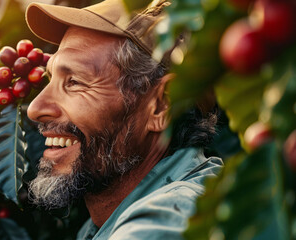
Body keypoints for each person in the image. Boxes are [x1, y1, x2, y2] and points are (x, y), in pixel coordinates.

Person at [24, 0, 223, 238]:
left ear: (161, 106)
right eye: (50, 78)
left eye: (74, 82)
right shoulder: (105, 224)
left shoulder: (166, 222)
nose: (35, 109)